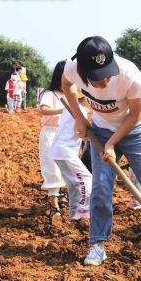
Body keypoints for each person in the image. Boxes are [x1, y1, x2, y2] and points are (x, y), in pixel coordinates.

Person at [62, 35, 141, 266]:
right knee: (100, 188)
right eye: (97, 77)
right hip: (102, 129)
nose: (105, 80)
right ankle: (97, 246)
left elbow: (135, 114)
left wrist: (111, 144)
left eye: (107, 72)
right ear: (83, 70)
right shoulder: (72, 68)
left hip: (138, 129)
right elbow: (66, 86)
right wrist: (79, 118)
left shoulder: (130, 74)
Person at [50, 89, 92, 221]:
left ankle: (74, 215)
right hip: (65, 152)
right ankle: (83, 212)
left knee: (74, 184)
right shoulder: (79, 111)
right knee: (86, 180)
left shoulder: (71, 109)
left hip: (61, 151)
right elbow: (81, 131)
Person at [37, 60, 68, 218]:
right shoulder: (50, 94)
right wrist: (64, 110)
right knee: (52, 169)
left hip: (67, 134)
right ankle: (53, 203)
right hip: (51, 132)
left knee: (67, 168)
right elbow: (43, 110)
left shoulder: (71, 94)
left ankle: (62, 195)